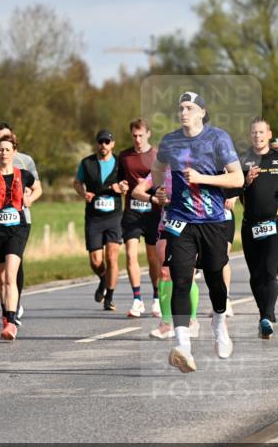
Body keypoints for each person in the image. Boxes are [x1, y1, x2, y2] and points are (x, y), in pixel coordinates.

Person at [151, 91, 243, 373]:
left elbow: (237, 177)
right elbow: (157, 168)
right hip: (179, 220)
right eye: (180, 108)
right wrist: (160, 191)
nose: (183, 113)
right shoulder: (170, 140)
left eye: (189, 108)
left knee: (216, 276)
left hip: (212, 220)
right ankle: (182, 345)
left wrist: (203, 178)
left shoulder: (218, 138)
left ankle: (218, 323)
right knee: (181, 279)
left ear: (202, 112)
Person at [0, 123, 41, 324]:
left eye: (7, 149)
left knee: (11, 274)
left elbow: (38, 188)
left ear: (14, 151)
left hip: (18, 227)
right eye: (0, 149)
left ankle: (11, 320)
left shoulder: (24, 171)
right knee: (2, 278)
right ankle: (7, 313)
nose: (3, 153)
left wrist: (29, 199)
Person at [240, 118, 278, 337]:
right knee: (255, 275)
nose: (258, 136)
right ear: (250, 135)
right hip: (250, 224)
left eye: (261, 132)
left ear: (269, 134)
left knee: (269, 270)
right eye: (254, 133)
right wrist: (245, 181)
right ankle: (263, 313)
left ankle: (267, 315)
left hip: (275, 221)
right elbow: (231, 188)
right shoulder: (242, 159)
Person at [133, 172, 201, 340]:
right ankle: (166, 324)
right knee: (164, 273)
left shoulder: (196, 166)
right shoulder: (163, 169)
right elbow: (137, 191)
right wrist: (155, 199)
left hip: (192, 225)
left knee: (187, 276)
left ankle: (191, 321)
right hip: (168, 225)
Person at [73, 130, 126, 311]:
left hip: (114, 217)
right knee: (96, 261)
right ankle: (103, 278)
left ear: (113, 144)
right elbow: (77, 183)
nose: (103, 145)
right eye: (100, 142)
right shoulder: (87, 163)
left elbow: (128, 184)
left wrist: (122, 187)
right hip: (94, 218)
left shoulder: (120, 163)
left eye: (107, 142)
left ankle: (109, 297)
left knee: (112, 257)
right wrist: (83, 193)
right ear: (97, 144)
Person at [118, 118, 161, 318]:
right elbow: (120, 180)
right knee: (130, 255)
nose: (137, 139)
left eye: (141, 135)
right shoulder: (124, 156)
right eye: (134, 136)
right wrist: (122, 186)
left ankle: (156, 298)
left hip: (153, 213)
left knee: (153, 258)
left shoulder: (157, 155)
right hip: (132, 212)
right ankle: (137, 300)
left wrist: (149, 186)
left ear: (148, 134)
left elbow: (164, 183)